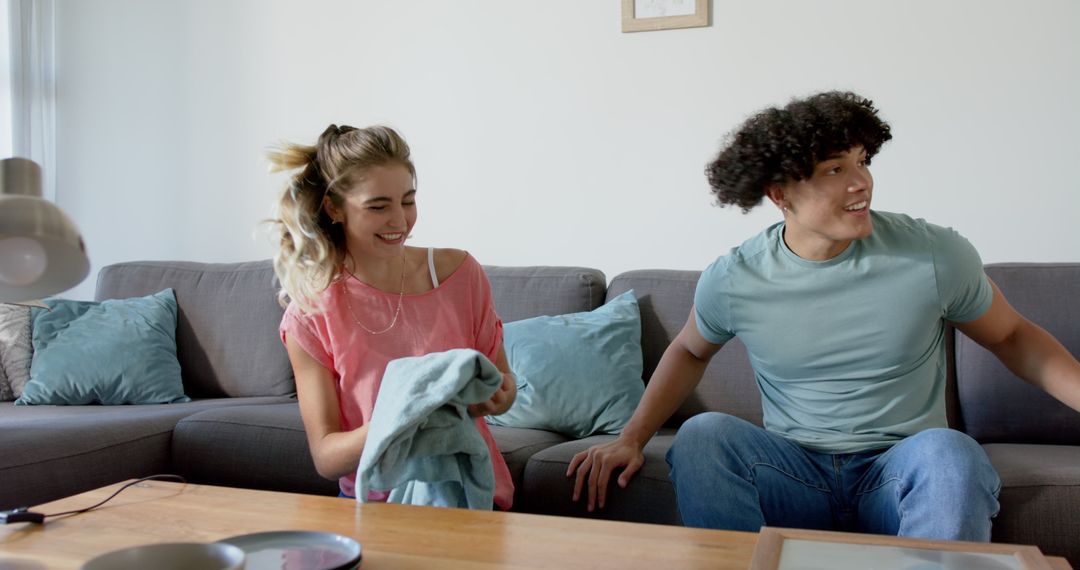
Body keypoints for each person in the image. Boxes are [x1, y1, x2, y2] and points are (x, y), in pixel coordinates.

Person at [567, 91, 1080, 540]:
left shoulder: (932, 254)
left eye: (862, 162)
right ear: (779, 194)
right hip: (792, 473)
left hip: (897, 472)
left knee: (951, 453)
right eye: (835, 169)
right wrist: (630, 438)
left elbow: (1012, 336)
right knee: (703, 436)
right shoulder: (736, 276)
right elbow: (688, 349)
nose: (861, 183)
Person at [269, 124, 516, 509]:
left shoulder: (460, 275)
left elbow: (503, 382)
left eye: (408, 201)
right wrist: (402, 420)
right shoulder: (312, 311)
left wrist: (495, 396)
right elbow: (326, 457)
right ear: (335, 208)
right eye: (378, 206)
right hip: (376, 506)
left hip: (469, 491)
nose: (400, 221)